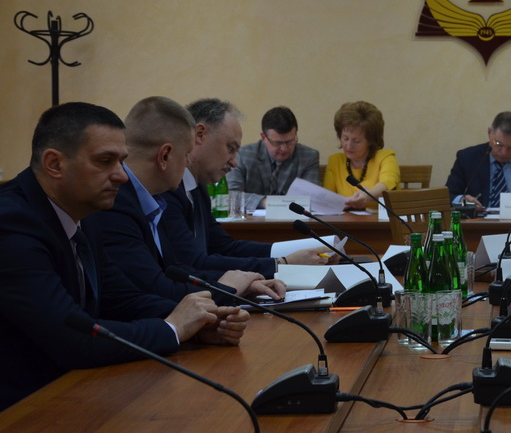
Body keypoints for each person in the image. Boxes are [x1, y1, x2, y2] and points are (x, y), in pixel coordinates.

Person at [0, 102, 249, 411]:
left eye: (122, 161)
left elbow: (121, 298)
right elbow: (74, 339)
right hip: (20, 411)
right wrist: (173, 329)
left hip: (71, 394)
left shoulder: (84, 212)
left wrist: (201, 322)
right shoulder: (11, 225)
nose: (121, 175)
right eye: (105, 161)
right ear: (54, 163)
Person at [92, 97, 286, 303]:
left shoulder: (154, 200)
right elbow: (154, 287)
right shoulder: (116, 204)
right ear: (165, 156)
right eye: (186, 154)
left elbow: (175, 271)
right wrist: (227, 289)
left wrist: (240, 285)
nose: (187, 163)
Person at [161, 98, 326, 276]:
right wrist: (282, 263)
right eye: (230, 149)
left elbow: (225, 247)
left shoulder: (198, 188)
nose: (234, 162)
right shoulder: (166, 190)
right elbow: (195, 263)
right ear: (200, 134)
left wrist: (298, 252)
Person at [445, 111, 511, 210]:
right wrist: (462, 200)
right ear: (489, 133)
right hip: (478, 221)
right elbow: (448, 195)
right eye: (499, 144)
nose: (504, 152)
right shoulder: (467, 158)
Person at [226, 106, 319, 211]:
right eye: (277, 143)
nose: (284, 149)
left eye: (290, 141)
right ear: (263, 137)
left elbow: (313, 199)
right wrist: (264, 202)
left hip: (294, 219)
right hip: (252, 220)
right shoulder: (243, 155)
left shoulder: (308, 156)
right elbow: (230, 196)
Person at [323, 101, 400, 210]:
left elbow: (388, 184)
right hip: (345, 219)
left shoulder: (385, 157)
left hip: (381, 220)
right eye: (345, 138)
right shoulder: (335, 161)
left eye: (357, 141)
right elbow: (327, 197)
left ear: (370, 141)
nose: (349, 146)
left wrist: (367, 196)